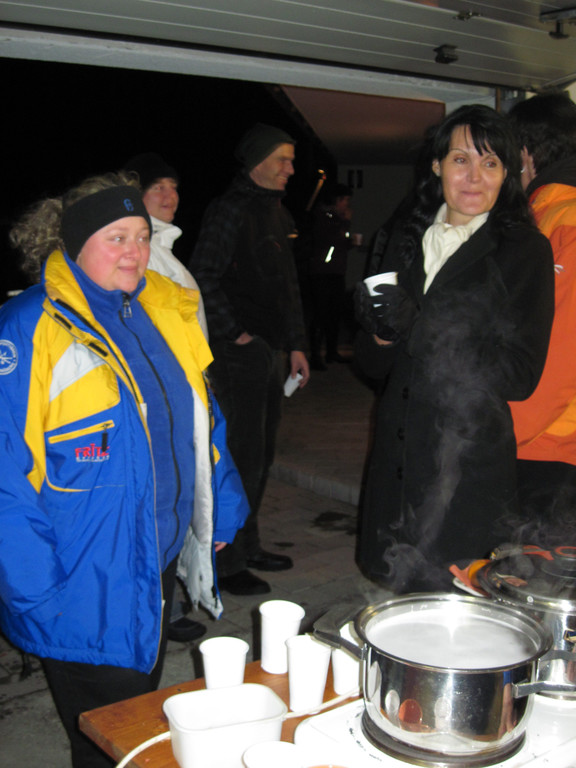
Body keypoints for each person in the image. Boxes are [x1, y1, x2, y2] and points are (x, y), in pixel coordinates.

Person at [0, 173, 248, 767]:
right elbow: (6, 473)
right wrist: (36, 592)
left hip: (151, 559)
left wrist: (221, 502)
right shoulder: (30, 326)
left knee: (135, 717)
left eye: (141, 235)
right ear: (73, 242)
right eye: (117, 237)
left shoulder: (158, 308)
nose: (135, 251)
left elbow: (202, 417)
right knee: (108, 739)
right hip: (79, 576)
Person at [354, 104, 555, 593]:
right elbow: (376, 365)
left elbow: (520, 375)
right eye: (461, 159)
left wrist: (419, 326)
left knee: (456, 600)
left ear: (507, 175)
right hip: (398, 458)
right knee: (395, 595)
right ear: (437, 165)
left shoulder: (524, 250)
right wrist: (379, 333)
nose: (474, 176)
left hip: (466, 465)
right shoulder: (405, 237)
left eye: (491, 163)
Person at [189, 123, 310, 595]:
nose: (291, 169)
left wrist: (296, 344)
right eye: (282, 159)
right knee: (238, 455)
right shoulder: (230, 209)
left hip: (269, 353)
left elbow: (289, 286)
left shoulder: (276, 211)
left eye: (292, 159)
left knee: (260, 454)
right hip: (236, 355)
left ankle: (249, 543)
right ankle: (226, 561)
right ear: (257, 161)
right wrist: (235, 333)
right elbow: (203, 275)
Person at [124, 151, 208, 642]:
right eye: (157, 186)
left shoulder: (165, 251)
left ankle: (167, 602)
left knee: (179, 501)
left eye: (173, 186)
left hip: (185, 394)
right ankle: (158, 610)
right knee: (160, 504)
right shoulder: (142, 257)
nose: (169, 195)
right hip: (163, 402)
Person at [506, 92, 576, 543]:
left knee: (534, 573)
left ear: (526, 153)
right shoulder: (543, 215)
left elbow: (561, 350)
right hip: (548, 438)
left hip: (550, 445)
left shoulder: (563, 221)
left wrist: (502, 434)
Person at [308, 183, 353, 370]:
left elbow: (343, 241)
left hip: (336, 272)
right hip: (322, 273)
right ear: (336, 200)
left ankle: (332, 351)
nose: (347, 204)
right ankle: (315, 355)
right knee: (320, 314)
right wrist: (343, 222)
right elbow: (330, 239)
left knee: (335, 313)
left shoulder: (338, 219)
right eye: (345, 200)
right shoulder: (322, 216)